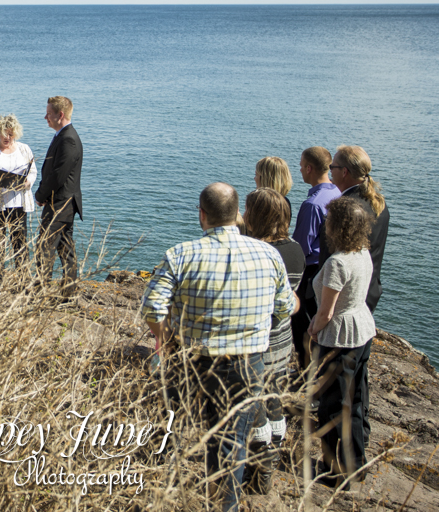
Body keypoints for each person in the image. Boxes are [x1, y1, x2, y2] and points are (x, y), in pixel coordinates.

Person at [140, 183, 298, 512]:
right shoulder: (269, 255)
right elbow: (284, 310)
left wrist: (166, 338)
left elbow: (153, 308)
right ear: (237, 214)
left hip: (192, 360)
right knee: (230, 445)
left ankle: (159, 490)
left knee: (170, 425)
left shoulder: (180, 254)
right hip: (246, 365)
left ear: (203, 215)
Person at [308, 197, 377, 484]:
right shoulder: (362, 253)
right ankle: (356, 463)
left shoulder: (337, 262)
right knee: (357, 400)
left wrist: (312, 329)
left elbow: (326, 311)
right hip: (361, 330)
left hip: (339, 336)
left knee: (333, 405)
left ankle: (334, 470)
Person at [242, 188, 306, 493]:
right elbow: (292, 299)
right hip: (284, 339)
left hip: (260, 341)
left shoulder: (262, 253)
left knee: (256, 407)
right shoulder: (295, 249)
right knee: (275, 401)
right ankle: (274, 457)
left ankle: (262, 466)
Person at [290, 146, 341, 369]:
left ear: (309, 168)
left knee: (301, 325)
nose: (300, 170)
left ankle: (305, 373)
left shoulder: (312, 205)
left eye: (301, 166)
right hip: (328, 268)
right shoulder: (337, 193)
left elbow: (301, 248)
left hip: (310, 273)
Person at [324, 146, 389, 313]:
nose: (330, 170)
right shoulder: (378, 203)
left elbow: (329, 253)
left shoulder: (344, 209)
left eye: (333, 167)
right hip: (368, 291)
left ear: (344, 172)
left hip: (342, 297)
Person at [34, 96, 83, 295]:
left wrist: (40, 195)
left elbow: (58, 175)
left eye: (49, 113)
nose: (45, 117)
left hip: (60, 203)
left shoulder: (68, 139)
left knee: (44, 247)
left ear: (60, 115)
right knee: (65, 248)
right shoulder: (62, 135)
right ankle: (69, 294)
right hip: (62, 202)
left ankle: (40, 293)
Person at [0, 114, 37, 277]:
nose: (7, 137)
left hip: (18, 203)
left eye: (11, 134)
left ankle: (23, 279)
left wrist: (28, 182)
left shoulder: (24, 149)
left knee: (20, 243)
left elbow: (33, 171)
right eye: (4, 134)